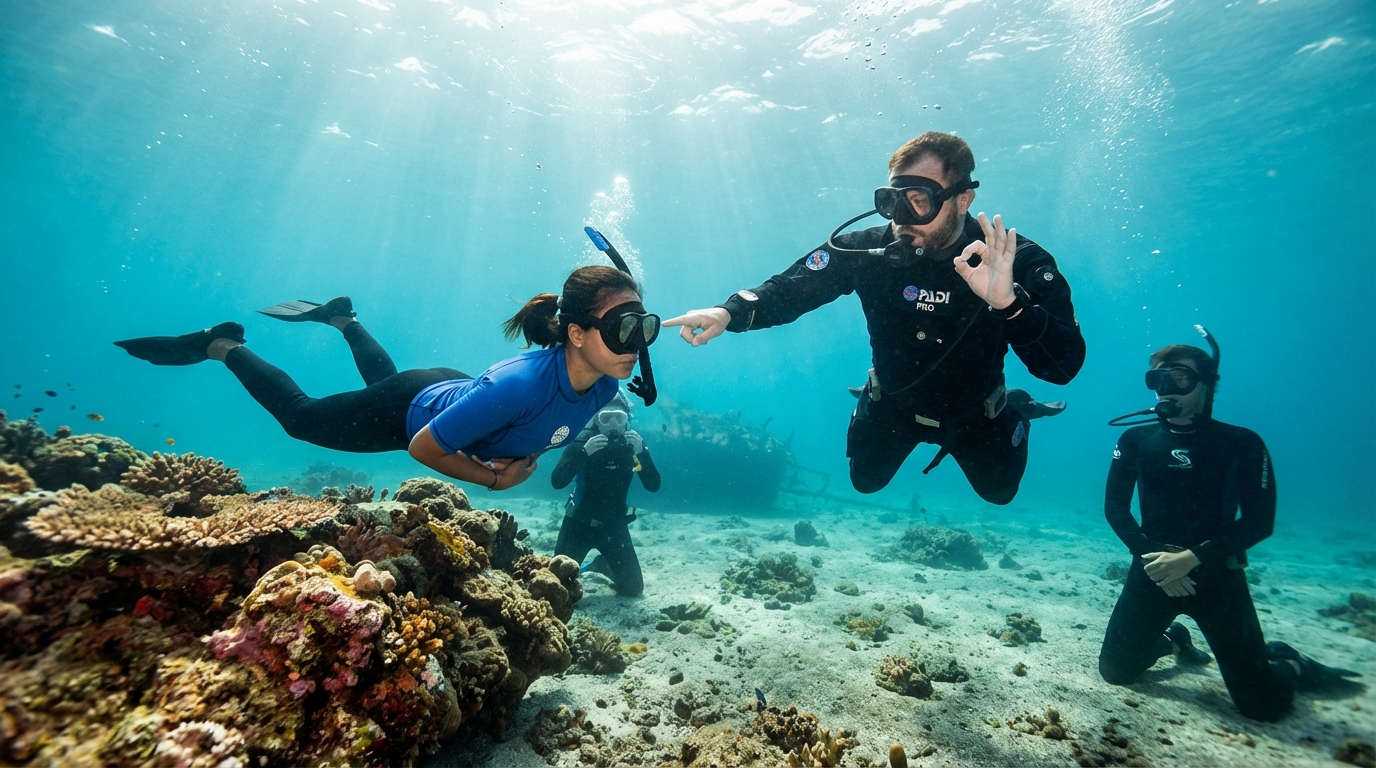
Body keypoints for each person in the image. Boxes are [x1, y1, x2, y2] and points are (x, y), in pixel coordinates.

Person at [664, 132, 1084, 504]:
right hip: (894, 402)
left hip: (977, 413)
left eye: (919, 201)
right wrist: (729, 312)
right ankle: (871, 391)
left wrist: (1010, 304)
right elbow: (792, 289)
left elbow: (1063, 366)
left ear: (963, 199)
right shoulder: (865, 251)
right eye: (893, 201)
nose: (902, 219)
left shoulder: (1014, 261)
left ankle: (1017, 407)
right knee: (864, 482)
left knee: (1000, 493)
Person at [112, 265, 661, 491]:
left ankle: (342, 318)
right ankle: (222, 344)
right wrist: (494, 480)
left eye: (644, 327)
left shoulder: (605, 385)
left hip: (442, 387)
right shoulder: (516, 385)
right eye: (622, 328)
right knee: (300, 419)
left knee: (389, 382)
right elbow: (424, 447)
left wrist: (527, 452)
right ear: (576, 333)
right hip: (409, 414)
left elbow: (548, 421)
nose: (636, 344)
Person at [1099, 335, 1359, 721]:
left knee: (1263, 707)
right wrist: (1153, 558)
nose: (1166, 389)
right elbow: (1115, 508)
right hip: (1153, 569)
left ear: (1208, 383)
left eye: (1179, 378)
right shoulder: (1136, 439)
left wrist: (1191, 558)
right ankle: (1173, 642)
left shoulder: (1241, 442)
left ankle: (1290, 662)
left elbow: (1259, 522)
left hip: (1216, 575)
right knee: (1116, 672)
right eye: (1157, 380)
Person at [549, 392, 661, 596]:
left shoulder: (633, 446)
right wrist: (584, 453)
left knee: (633, 589)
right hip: (577, 525)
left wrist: (642, 453)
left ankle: (602, 565)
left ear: (628, 419)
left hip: (614, 526)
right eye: (605, 418)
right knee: (557, 588)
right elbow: (557, 481)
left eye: (619, 417)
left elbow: (653, 485)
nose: (613, 425)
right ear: (595, 419)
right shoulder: (582, 443)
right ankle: (593, 564)